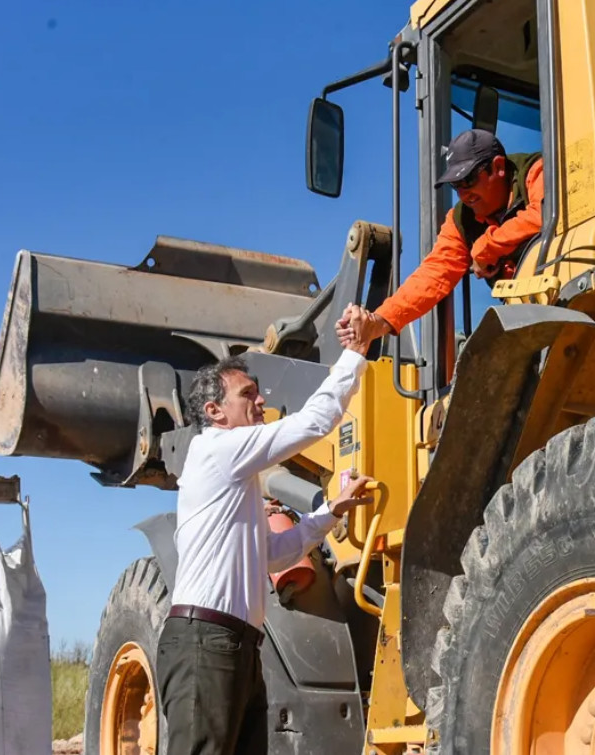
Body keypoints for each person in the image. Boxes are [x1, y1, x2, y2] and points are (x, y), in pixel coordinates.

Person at [156, 317, 376, 755]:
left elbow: (274, 555)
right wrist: (357, 351)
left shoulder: (237, 481)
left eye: (258, 393)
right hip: (206, 643)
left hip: (234, 646)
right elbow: (314, 423)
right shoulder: (219, 449)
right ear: (214, 412)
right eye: (247, 395)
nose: (260, 402)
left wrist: (330, 512)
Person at [339, 128, 543, 343]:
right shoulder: (461, 221)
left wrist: (488, 247)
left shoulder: (537, 172)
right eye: (456, 186)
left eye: (469, 180)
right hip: (525, 322)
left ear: (499, 167)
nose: (464, 194)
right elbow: (433, 274)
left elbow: (544, 215)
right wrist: (378, 321)